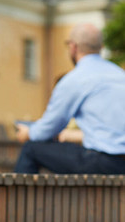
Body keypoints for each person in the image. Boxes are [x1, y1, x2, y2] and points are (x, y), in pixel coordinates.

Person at [14, 23, 125, 174]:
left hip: (103, 163)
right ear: (101, 47)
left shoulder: (74, 79)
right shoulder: (120, 74)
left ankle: (19, 198)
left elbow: (49, 128)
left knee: (30, 149)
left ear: (73, 47)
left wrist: (28, 133)